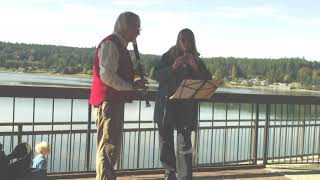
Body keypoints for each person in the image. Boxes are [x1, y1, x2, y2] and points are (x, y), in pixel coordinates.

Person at [89, 11, 147, 180]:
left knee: (110, 148)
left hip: (113, 101)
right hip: (108, 102)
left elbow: (116, 72)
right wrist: (132, 86)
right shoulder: (110, 44)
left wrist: (134, 73)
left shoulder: (119, 45)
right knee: (108, 147)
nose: (139, 31)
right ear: (124, 26)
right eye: (136, 26)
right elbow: (107, 76)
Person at [153, 28, 212, 180]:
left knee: (185, 143)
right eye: (183, 40)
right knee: (165, 141)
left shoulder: (197, 60)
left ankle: (185, 177)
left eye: (190, 41)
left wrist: (195, 67)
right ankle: (169, 173)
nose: (187, 44)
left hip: (186, 108)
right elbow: (156, 75)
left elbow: (208, 80)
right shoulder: (168, 57)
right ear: (178, 41)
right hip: (167, 106)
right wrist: (173, 67)